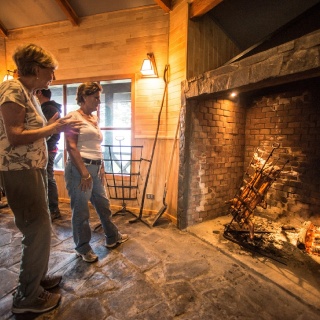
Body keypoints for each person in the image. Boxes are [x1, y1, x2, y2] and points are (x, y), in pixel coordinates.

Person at [0, 43, 82, 314]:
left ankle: (36, 277)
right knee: (36, 229)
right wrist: (53, 128)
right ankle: (27, 297)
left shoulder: (28, 92)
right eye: (51, 71)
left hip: (31, 169)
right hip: (19, 170)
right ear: (36, 68)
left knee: (42, 228)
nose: (53, 77)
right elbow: (14, 135)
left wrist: (54, 126)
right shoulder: (11, 89)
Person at [64, 82, 128, 263]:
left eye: (99, 97)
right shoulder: (73, 116)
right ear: (84, 97)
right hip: (79, 168)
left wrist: (101, 165)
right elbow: (71, 146)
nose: (98, 101)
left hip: (95, 166)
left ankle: (112, 236)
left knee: (103, 204)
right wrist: (84, 173)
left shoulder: (94, 118)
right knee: (81, 211)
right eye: (96, 97)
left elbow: (96, 145)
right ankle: (82, 247)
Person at [35, 88, 62, 221]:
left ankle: (53, 209)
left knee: (48, 178)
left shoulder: (49, 109)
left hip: (48, 148)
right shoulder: (48, 108)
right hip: (47, 147)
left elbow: (48, 131)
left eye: (35, 92)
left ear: (40, 93)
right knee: (46, 178)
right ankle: (49, 208)